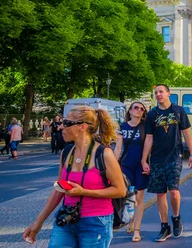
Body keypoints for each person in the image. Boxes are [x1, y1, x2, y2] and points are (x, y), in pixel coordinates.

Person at [22, 105, 125, 247]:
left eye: (67, 123)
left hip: (96, 222)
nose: (61, 128)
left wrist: (84, 192)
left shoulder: (104, 154)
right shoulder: (66, 152)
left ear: (82, 127)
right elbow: (59, 189)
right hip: (66, 219)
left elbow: (120, 190)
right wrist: (38, 223)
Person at [141, 84, 192, 242]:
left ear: (168, 94)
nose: (158, 94)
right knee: (160, 193)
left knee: (173, 190)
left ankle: (176, 217)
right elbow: (149, 138)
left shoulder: (178, 111)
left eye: (161, 92)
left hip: (174, 156)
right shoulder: (152, 114)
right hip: (157, 158)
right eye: (156, 92)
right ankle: (165, 227)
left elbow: (186, 133)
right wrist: (144, 160)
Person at [114, 101, 149, 242]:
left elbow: (149, 146)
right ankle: (131, 221)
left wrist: (146, 162)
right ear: (130, 110)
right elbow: (118, 148)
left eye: (142, 109)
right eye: (136, 107)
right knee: (128, 196)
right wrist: (113, 165)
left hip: (140, 166)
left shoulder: (145, 127)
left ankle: (136, 229)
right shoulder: (122, 127)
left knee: (139, 198)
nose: (138, 110)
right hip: (126, 165)